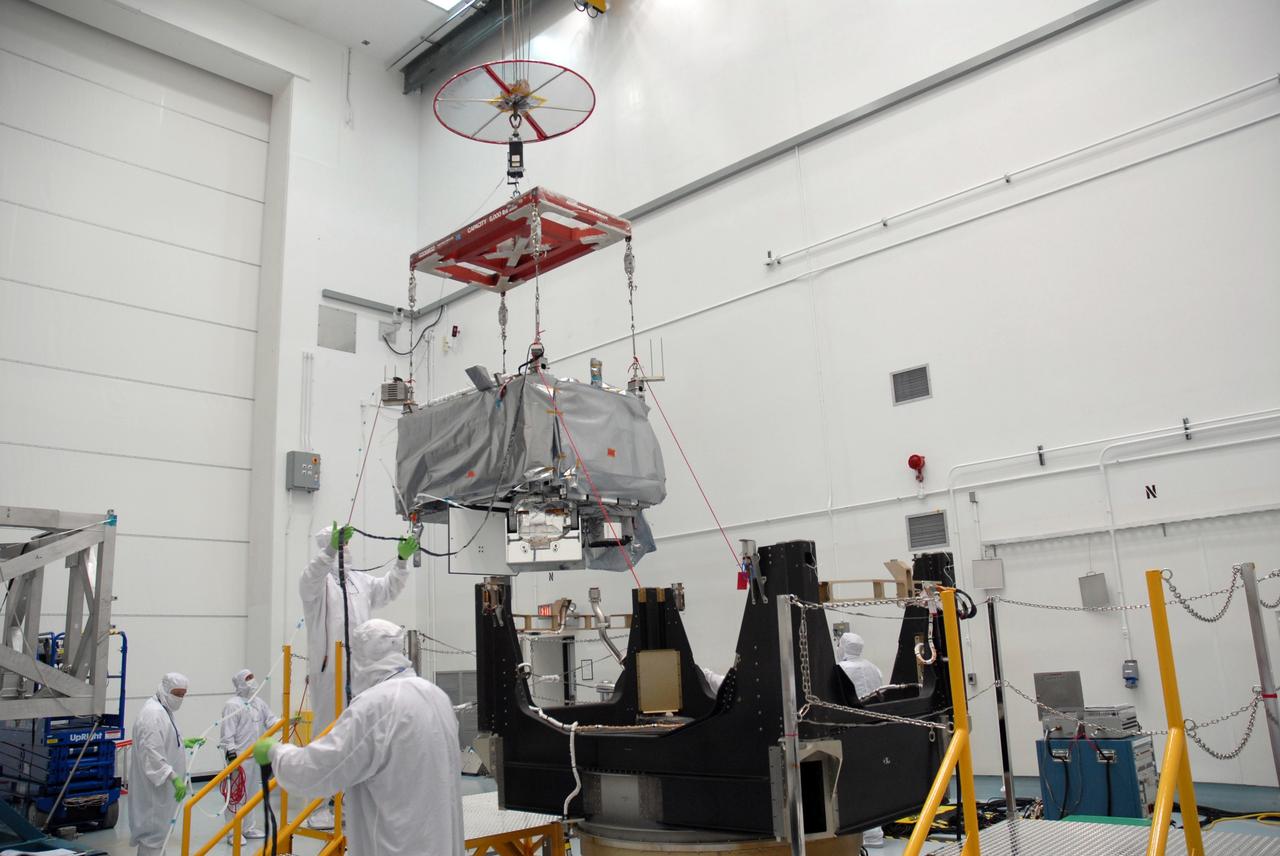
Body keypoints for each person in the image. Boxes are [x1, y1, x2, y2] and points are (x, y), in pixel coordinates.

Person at [253, 619, 464, 856]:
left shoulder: (376, 706)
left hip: (397, 846)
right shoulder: (436, 696)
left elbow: (317, 771)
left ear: (362, 655)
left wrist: (276, 753)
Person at [300, 522, 415, 827]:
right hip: (330, 668)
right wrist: (328, 552)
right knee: (328, 730)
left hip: (363, 668)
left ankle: (352, 799)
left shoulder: (360, 582)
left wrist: (401, 561)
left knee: (361, 729)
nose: (346, 550)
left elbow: (388, 589)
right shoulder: (319, 584)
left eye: (346, 545)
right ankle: (319, 805)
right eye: (341, 544)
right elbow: (309, 578)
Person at [129, 673, 204, 856]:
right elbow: (152, 753)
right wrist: (173, 778)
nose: (179, 698)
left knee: (159, 836)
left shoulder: (163, 710)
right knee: (152, 836)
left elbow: (162, 740)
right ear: (164, 688)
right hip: (156, 789)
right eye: (176, 693)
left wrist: (182, 742)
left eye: (183, 694)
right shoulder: (153, 714)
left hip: (163, 789)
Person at [836, 632, 886, 848]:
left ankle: (862, 834)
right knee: (873, 780)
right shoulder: (874, 668)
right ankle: (876, 832)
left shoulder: (840, 670)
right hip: (874, 731)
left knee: (853, 782)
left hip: (851, 732)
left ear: (843, 646)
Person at [218, 668, 275, 844]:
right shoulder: (232, 705)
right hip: (240, 758)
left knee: (251, 794)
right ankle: (232, 832)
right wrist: (232, 755)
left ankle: (248, 828)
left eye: (252, 676)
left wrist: (287, 720)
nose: (252, 680)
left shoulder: (258, 702)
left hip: (255, 756)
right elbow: (227, 734)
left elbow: (271, 720)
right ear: (240, 683)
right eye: (248, 678)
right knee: (236, 796)